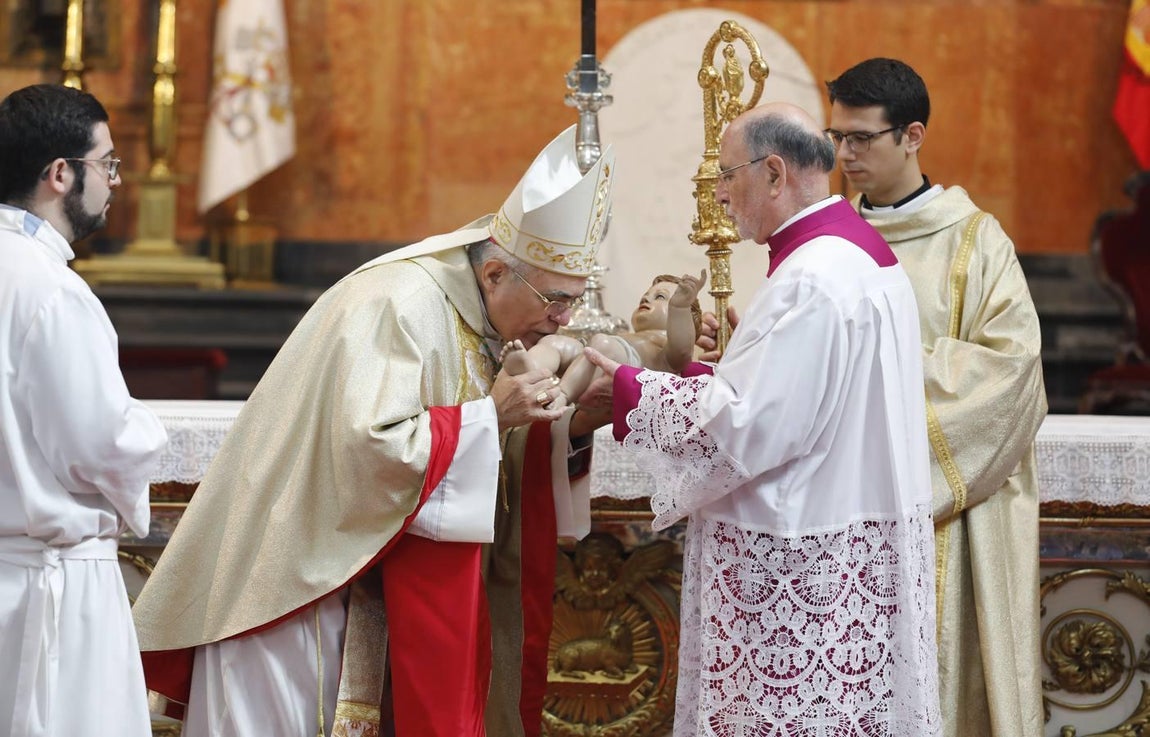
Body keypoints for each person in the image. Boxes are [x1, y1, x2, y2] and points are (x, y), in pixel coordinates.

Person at [131, 125, 615, 737]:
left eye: (572, 302)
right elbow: (369, 451)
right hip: (296, 595)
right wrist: (490, 416)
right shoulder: (401, 303)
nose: (563, 318)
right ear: (494, 274)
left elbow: (486, 448)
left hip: (360, 589)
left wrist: (573, 425)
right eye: (555, 300)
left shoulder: (480, 316)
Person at [584, 102, 942, 735]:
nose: (719, 195)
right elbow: (799, 400)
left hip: (797, 570)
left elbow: (745, 429)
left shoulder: (812, 277)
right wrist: (721, 373)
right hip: (835, 544)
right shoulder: (856, 256)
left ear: (775, 174)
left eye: (727, 175)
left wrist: (626, 387)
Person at [824, 58, 1047, 737]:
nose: (845, 154)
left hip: (949, 508)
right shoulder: (827, 241)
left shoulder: (975, 242)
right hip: (843, 509)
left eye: (862, 138)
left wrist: (873, 371)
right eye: (836, 137)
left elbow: (1013, 373)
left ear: (913, 135)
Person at [0, 84, 168, 737]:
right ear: (60, 173)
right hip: (53, 583)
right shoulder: (50, 289)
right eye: (108, 163)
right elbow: (103, 444)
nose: (114, 182)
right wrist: (147, 436)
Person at [501, 271, 706, 409]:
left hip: (622, 366)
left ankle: (562, 394)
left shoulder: (667, 348)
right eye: (645, 296)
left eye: (660, 297)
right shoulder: (629, 335)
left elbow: (682, 351)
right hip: (593, 357)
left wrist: (680, 308)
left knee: (602, 343)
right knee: (557, 343)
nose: (646, 299)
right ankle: (530, 368)